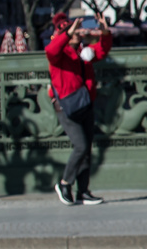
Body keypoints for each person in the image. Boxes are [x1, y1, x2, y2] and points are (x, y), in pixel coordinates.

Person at [43, 13, 111, 205]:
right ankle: (65, 183)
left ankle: (83, 191)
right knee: (80, 145)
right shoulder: (59, 54)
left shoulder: (83, 52)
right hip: (66, 105)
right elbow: (51, 50)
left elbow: (102, 50)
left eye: (76, 31)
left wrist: (104, 33)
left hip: (85, 102)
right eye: (71, 32)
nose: (76, 34)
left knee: (86, 149)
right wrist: (66, 33)